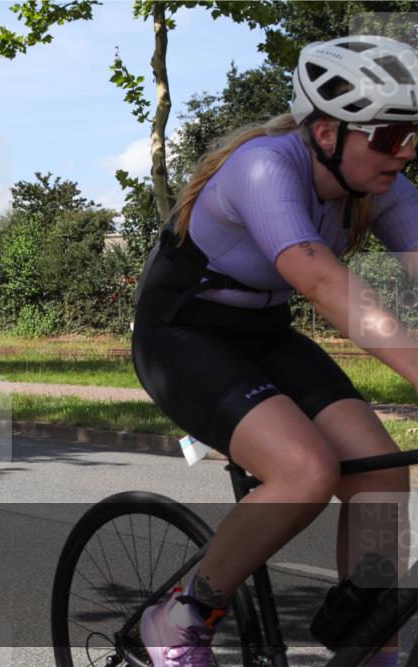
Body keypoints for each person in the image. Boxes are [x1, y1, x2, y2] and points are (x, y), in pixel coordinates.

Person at [131, 35, 418, 666]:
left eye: (414, 135)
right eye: (392, 135)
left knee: (381, 473)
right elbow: (320, 280)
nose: (408, 151)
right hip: (181, 335)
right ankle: (178, 619)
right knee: (306, 471)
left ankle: (370, 645)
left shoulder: (383, 186)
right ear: (327, 134)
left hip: (263, 333)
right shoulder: (264, 166)